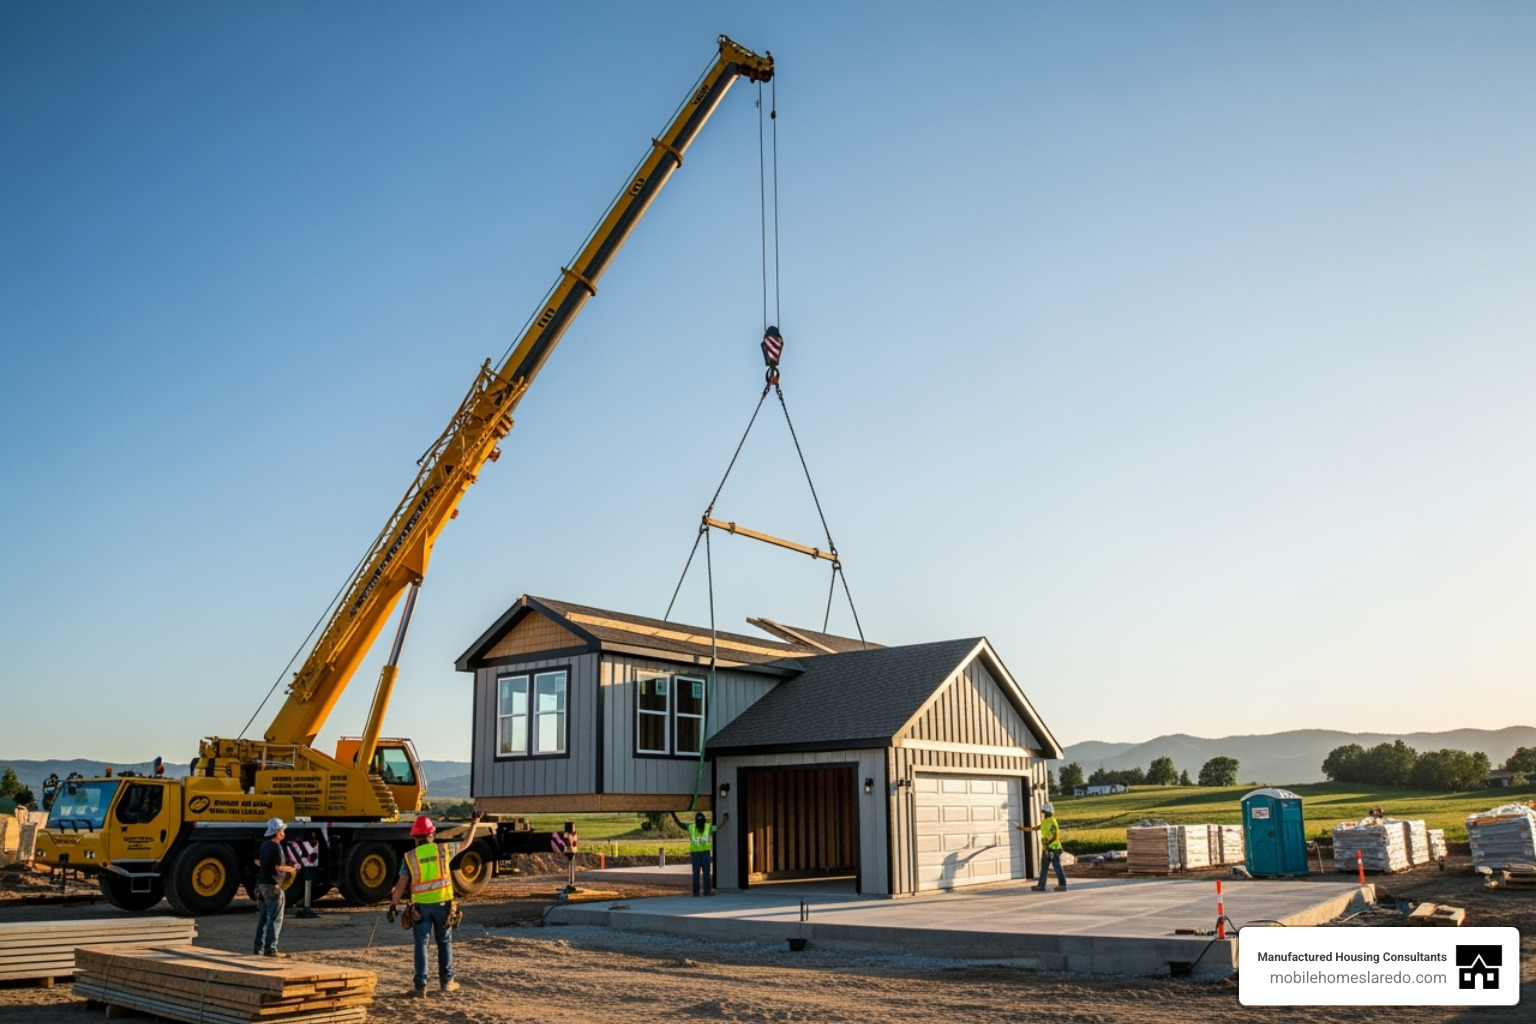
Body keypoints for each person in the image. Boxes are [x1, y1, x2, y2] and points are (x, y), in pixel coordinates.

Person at [389, 814, 475, 996]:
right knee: (444, 942)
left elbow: (401, 884)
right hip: (443, 905)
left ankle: (420, 986)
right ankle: (447, 983)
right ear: (431, 834)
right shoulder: (443, 850)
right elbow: (466, 844)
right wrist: (474, 824)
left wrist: (393, 902)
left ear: (415, 837)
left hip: (421, 908)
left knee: (421, 944)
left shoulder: (410, 857)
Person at [254, 818, 297, 956]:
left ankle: (258, 947)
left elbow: (257, 862)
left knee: (263, 917)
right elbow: (279, 867)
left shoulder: (264, 846)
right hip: (273, 886)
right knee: (275, 919)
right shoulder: (277, 847)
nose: (284, 833)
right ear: (278, 832)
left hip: (262, 884)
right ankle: (271, 949)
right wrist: (291, 869)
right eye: (282, 830)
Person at [1016, 802, 1067, 891]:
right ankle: (1041, 885)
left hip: (1053, 849)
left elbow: (1055, 835)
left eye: (1044, 812)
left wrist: (1048, 849)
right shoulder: (1046, 821)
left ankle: (1062, 885)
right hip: (1047, 848)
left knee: (1057, 867)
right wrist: (1023, 828)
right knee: (1044, 867)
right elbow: (1036, 828)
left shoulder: (1052, 821)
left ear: (1047, 812)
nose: (1043, 813)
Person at [684, 810, 728, 897]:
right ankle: (707, 892)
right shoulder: (708, 827)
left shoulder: (691, 827)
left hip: (695, 854)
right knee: (706, 873)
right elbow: (718, 827)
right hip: (705, 853)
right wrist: (724, 821)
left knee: (696, 873)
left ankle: (696, 892)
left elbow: (682, 825)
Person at [283, 833, 322, 918]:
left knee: (304, 877)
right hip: (307, 863)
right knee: (307, 876)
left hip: (305, 862)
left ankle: (285, 902)